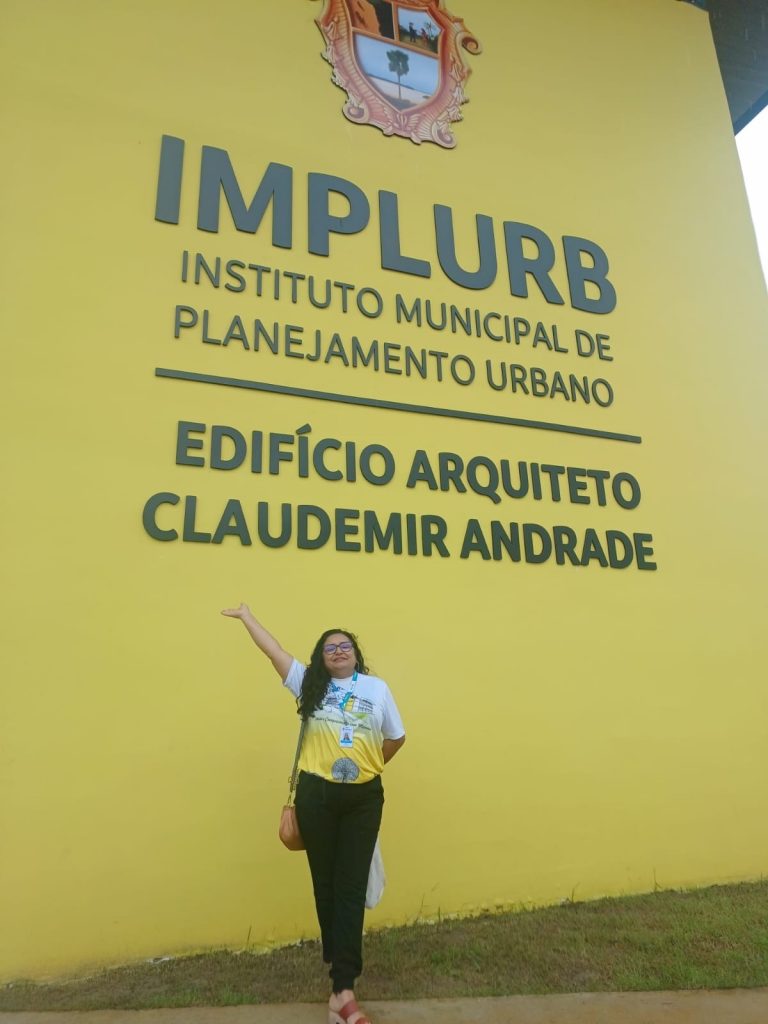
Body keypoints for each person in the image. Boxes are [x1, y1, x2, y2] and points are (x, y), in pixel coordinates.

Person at [221, 603, 406, 1024]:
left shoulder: (376, 689)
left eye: (344, 646)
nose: (338, 651)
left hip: (363, 799)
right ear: (321, 658)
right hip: (316, 797)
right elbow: (274, 651)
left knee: (350, 886)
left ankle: (343, 989)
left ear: (356, 654)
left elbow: (396, 737)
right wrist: (248, 617)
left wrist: (367, 764)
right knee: (326, 884)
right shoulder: (309, 685)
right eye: (329, 648)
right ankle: (341, 988)